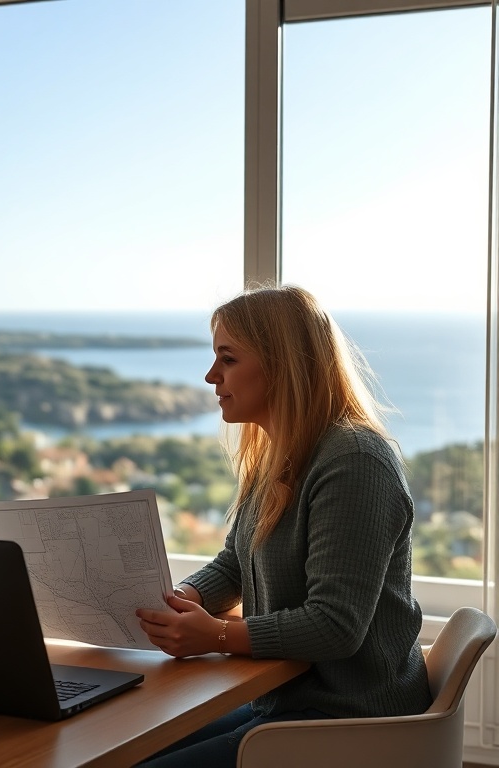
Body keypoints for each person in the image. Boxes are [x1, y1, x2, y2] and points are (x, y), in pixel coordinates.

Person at [134, 284, 432, 767]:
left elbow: (336, 626)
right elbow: (235, 563)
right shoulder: (276, 455)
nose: (211, 376)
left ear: (281, 365)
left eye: (227, 359)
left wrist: (217, 637)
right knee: (134, 747)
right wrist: (182, 599)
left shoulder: (354, 461)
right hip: (290, 700)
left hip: (350, 718)